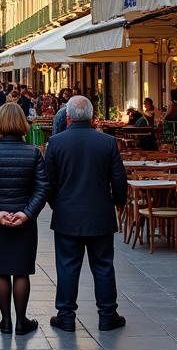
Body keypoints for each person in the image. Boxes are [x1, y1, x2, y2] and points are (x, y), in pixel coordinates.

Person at [45, 96, 128, 333]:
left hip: (67, 215)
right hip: (100, 214)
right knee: (103, 265)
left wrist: (56, 204)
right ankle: (107, 314)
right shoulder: (107, 142)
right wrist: (118, 202)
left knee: (67, 266)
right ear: (91, 117)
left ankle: (66, 315)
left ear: (68, 117)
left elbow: (48, 182)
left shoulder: (56, 143)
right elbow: (119, 179)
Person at [0, 104, 48, 335]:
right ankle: (21, 321)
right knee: (21, 271)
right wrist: (27, 213)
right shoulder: (33, 152)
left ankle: (5, 320)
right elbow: (42, 188)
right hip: (25, 221)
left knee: (1, 270)